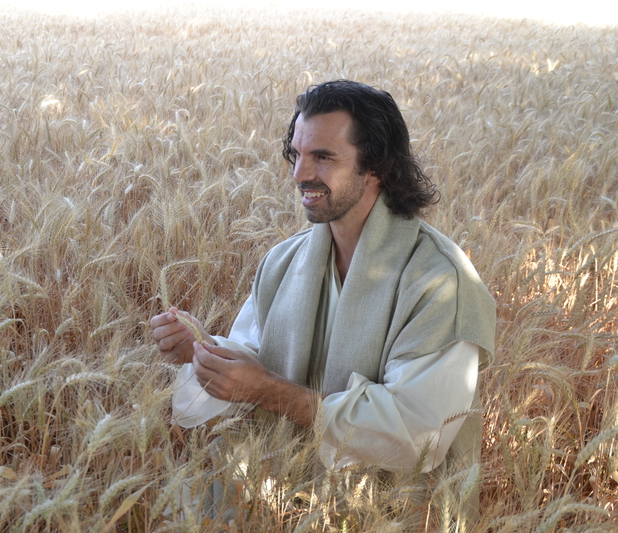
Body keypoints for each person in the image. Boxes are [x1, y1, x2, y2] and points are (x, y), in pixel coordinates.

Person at [150, 80, 496, 509]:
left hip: (390, 515)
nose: (300, 174)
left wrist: (270, 392)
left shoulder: (441, 283)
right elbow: (254, 359)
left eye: (323, 157)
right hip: (281, 505)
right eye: (297, 155)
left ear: (376, 166)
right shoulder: (283, 261)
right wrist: (202, 353)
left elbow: (417, 435)